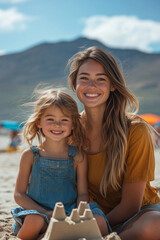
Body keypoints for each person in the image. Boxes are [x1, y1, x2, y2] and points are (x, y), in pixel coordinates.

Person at [68, 46, 160, 240]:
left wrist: (97, 230)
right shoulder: (69, 129)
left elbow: (131, 205)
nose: (91, 85)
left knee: (155, 226)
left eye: (101, 79)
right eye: (84, 78)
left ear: (113, 85)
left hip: (138, 215)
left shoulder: (136, 129)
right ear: (74, 84)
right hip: (93, 215)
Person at [11, 88, 107, 240]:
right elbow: (19, 194)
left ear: (73, 124)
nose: (57, 125)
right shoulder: (30, 155)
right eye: (50, 119)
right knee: (34, 222)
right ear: (38, 122)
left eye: (64, 120)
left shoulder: (77, 156)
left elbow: (82, 193)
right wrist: (45, 213)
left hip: (70, 212)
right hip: (39, 214)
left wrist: (79, 213)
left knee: (100, 222)